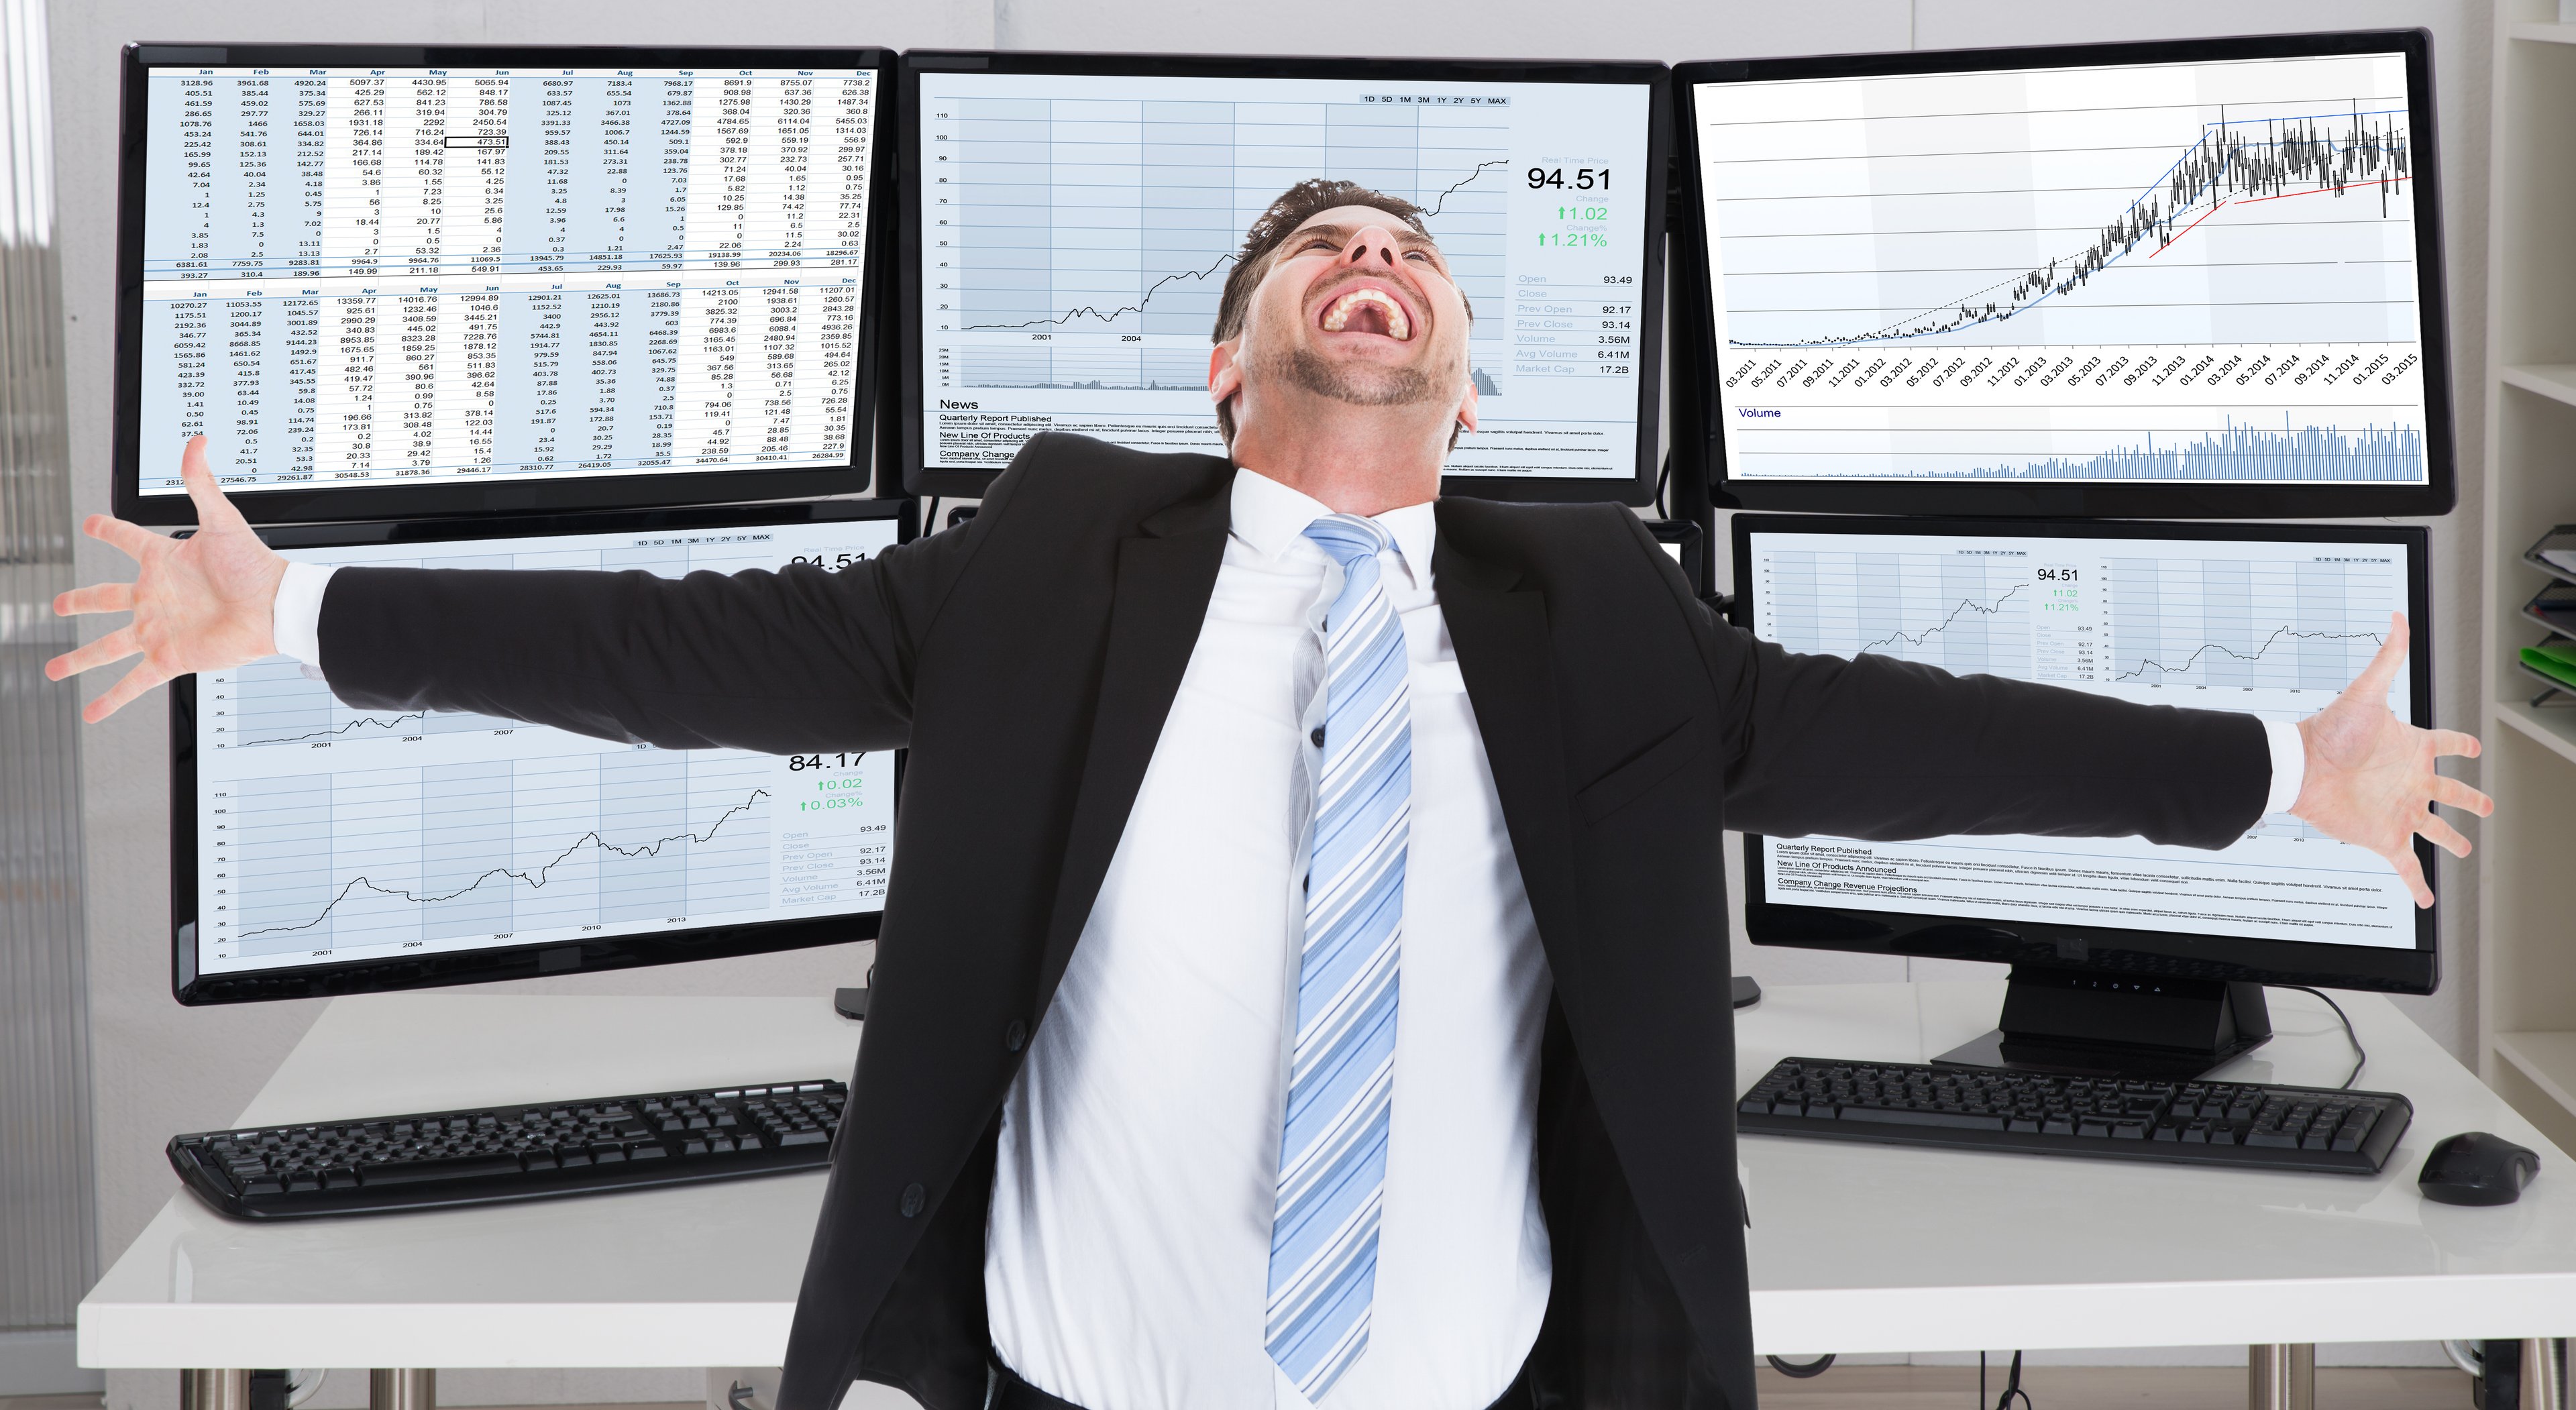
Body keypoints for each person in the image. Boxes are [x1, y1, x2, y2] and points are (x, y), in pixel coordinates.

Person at [52, 177, 2486, 1410]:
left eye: (1412, 254)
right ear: (1232, 366)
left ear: (1461, 373)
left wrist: (2282, 772)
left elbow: (1904, 732)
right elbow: (694, 649)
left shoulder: (1589, 608)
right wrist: (295, 615)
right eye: (1323, 248)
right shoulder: (1045, 567)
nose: (1376, 262)